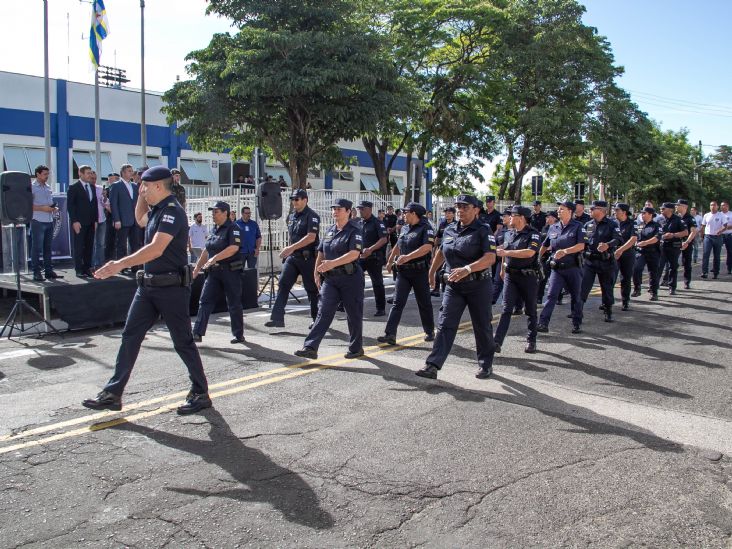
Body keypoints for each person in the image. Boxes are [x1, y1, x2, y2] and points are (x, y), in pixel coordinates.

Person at [82, 166, 210, 415]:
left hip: (171, 289)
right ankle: (113, 393)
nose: (141, 190)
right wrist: (141, 189)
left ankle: (200, 392)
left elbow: (156, 248)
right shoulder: (157, 211)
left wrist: (119, 264)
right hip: (148, 287)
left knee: (182, 342)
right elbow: (139, 217)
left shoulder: (173, 212)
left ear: (159, 187)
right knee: (130, 336)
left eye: (145, 187)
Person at [418, 194, 497, 380]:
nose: (460, 210)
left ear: (476, 209)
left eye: (465, 207)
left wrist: (468, 269)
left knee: (482, 325)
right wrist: (431, 272)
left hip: (478, 285)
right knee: (445, 324)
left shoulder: (483, 230)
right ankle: (432, 365)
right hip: (454, 286)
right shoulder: (449, 229)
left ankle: (485, 364)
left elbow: (490, 258)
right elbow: (441, 252)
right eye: (458, 207)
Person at [295, 199, 364, 359]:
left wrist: (332, 263)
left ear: (348, 211)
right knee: (323, 311)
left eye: (339, 209)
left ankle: (356, 348)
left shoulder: (355, 230)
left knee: (353, 314)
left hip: (350, 278)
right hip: (331, 280)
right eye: (334, 208)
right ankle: (310, 347)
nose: (335, 211)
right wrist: (316, 272)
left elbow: (354, 253)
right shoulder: (330, 230)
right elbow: (321, 252)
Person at [378, 202, 435, 345]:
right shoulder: (404, 227)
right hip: (404, 272)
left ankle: (429, 331)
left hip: (419, 271)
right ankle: (390, 334)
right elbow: (399, 244)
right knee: (397, 303)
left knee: (424, 303)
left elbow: (427, 247)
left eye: (406, 212)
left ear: (414, 214)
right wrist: (390, 260)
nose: (403, 214)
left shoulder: (426, 228)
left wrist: (408, 257)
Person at [192, 201, 245, 345]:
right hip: (214, 273)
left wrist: (215, 258)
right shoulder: (214, 229)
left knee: (233, 303)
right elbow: (207, 249)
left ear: (225, 213)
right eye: (213, 212)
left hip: (230, 271)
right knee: (205, 300)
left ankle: (238, 334)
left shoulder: (234, 228)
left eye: (216, 212)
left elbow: (233, 248)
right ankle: (197, 332)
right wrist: (197, 267)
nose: (213, 215)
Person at [265, 189, 320, 328]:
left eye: (297, 199)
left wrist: (291, 248)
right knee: (283, 284)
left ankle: (316, 319)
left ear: (305, 200)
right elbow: (292, 237)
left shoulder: (312, 216)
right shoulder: (291, 217)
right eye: (292, 199)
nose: (294, 202)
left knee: (311, 289)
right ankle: (277, 318)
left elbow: (311, 237)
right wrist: (289, 250)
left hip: (307, 258)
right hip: (293, 257)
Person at [493, 205, 542, 354]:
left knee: (530, 309)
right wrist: (502, 269)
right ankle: (497, 342)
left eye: (512, 215)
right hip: (510, 276)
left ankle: (531, 340)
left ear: (521, 218)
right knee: (506, 309)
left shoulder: (533, 234)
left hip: (528, 277)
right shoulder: (508, 233)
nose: (509, 218)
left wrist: (506, 252)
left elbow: (529, 253)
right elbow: (503, 253)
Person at [537, 200, 586, 334]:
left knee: (576, 296)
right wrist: (537, 258)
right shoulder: (554, 227)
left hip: (573, 268)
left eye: (562, 209)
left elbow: (581, 246)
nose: (559, 211)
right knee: (551, 295)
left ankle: (577, 323)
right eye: (558, 209)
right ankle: (543, 323)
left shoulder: (578, 226)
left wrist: (565, 251)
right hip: (557, 269)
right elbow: (545, 245)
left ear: (570, 211)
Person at [580, 200, 623, 322]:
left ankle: (608, 311)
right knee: (583, 287)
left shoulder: (612, 224)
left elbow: (619, 239)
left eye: (593, 209)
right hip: (589, 261)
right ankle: (578, 311)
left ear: (601, 210)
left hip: (606, 261)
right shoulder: (587, 225)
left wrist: (608, 245)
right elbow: (582, 241)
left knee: (607, 288)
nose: (590, 211)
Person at [29, 165, 61, 281]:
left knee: (47, 247)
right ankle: (36, 272)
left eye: (48, 174)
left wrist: (53, 208)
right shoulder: (31, 187)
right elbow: (28, 206)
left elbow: (50, 202)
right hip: (37, 220)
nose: (47, 176)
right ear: (37, 174)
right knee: (36, 248)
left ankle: (48, 271)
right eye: (44, 174)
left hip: (49, 220)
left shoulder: (47, 187)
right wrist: (43, 208)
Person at [356, 201, 388, 316]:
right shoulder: (359, 223)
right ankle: (351, 305)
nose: (360, 211)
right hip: (361, 258)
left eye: (362, 209)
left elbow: (384, 239)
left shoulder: (377, 223)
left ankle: (381, 308)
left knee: (377, 283)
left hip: (374, 258)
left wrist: (371, 249)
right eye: (359, 209)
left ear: (369, 209)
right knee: (355, 280)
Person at [66, 165, 99, 278]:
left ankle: (87, 268)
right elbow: (70, 206)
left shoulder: (92, 187)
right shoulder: (74, 187)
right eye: (88, 173)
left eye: (90, 173)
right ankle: (79, 269)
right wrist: (74, 221)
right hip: (79, 222)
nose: (90, 175)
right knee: (79, 246)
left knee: (89, 246)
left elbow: (94, 205)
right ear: (80, 173)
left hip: (90, 222)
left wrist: (95, 220)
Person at [109, 164, 140, 268]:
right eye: (129, 171)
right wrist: (116, 219)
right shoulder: (116, 185)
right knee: (121, 244)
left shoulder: (135, 186)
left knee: (135, 244)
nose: (131, 173)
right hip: (122, 220)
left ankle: (135, 266)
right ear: (123, 172)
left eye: (132, 171)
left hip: (134, 220)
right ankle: (121, 266)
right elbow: (113, 204)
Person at [632, 206, 662, 301]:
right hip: (641, 252)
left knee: (653, 273)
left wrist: (645, 243)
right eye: (642, 213)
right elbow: (635, 236)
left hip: (653, 252)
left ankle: (654, 292)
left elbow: (657, 238)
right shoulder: (639, 225)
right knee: (636, 269)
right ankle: (637, 288)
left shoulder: (657, 226)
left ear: (650, 215)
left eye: (644, 213)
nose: (642, 215)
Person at [658, 202, 688, 295]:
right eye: (661, 209)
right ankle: (654, 286)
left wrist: (673, 235)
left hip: (674, 246)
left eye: (663, 209)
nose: (661, 210)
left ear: (670, 210)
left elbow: (685, 232)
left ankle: (672, 287)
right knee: (658, 266)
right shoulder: (660, 219)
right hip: (663, 245)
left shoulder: (678, 220)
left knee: (673, 267)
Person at [612, 203, 637, 311]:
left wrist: (621, 250)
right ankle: (607, 301)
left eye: (617, 210)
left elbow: (633, 239)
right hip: (614, 254)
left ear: (624, 212)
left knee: (625, 278)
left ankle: (625, 301)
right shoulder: (613, 223)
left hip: (627, 254)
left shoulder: (632, 223)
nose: (615, 212)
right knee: (610, 277)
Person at [431, 206, 455, 297]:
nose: (447, 214)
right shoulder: (442, 224)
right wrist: (434, 252)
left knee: (448, 270)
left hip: (451, 251)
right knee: (438, 269)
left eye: (449, 213)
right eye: (446, 213)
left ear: (453, 214)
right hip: (441, 250)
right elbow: (437, 238)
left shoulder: (457, 224)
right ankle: (436, 289)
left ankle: (446, 289)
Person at [700, 201, 727, 279]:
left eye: (714, 205)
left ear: (717, 206)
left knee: (717, 256)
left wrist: (720, 231)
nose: (712, 206)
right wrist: (702, 236)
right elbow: (703, 226)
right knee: (705, 254)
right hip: (708, 237)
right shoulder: (706, 215)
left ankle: (716, 272)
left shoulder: (721, 215)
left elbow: (725, 226)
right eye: (711, 205)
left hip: (718, 237)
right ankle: (704, 272)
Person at [536, 210, 558, 305]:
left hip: (554, 255)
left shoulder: (558, 228)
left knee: (556, 278)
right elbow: (543, 242)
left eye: (548, 217)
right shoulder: (545, 228)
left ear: (554, 218)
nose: (546, 219)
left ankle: (558, 297)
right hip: (545, 256)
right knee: (542, 277)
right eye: (546, 217)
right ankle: (539, 297)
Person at [676, 199, 698, 289]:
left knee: (686, 263)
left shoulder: (690, 218)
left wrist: (687, 242)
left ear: (684, 207)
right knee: (672, 263)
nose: (676, 206)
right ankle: (668, 281)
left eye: (678, 205)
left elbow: (693, 232)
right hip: (676, 242)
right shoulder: (676, 217)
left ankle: (686, 281)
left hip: (686, 243)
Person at [91, 171, 110, 269]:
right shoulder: (86, 189)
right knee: (92, 243)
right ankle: (91, 264)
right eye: (92, 178)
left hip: (101, 219)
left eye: (95, 178)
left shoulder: (99, 188)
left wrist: (105, 196)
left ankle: (100, 264)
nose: (93, 180)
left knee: (101, 243)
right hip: (91, 220)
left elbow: (105, 204)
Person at [721, 201, 732, 275]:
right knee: (716, 251)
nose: (722, 206)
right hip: (720, 235)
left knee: (730, 252)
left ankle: (729, 268)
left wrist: (725, 228)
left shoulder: (731, 214)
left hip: (729, 235)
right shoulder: (719, 214)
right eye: (721, 205)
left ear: (727, 206)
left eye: (723, 205)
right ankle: (715, 267)